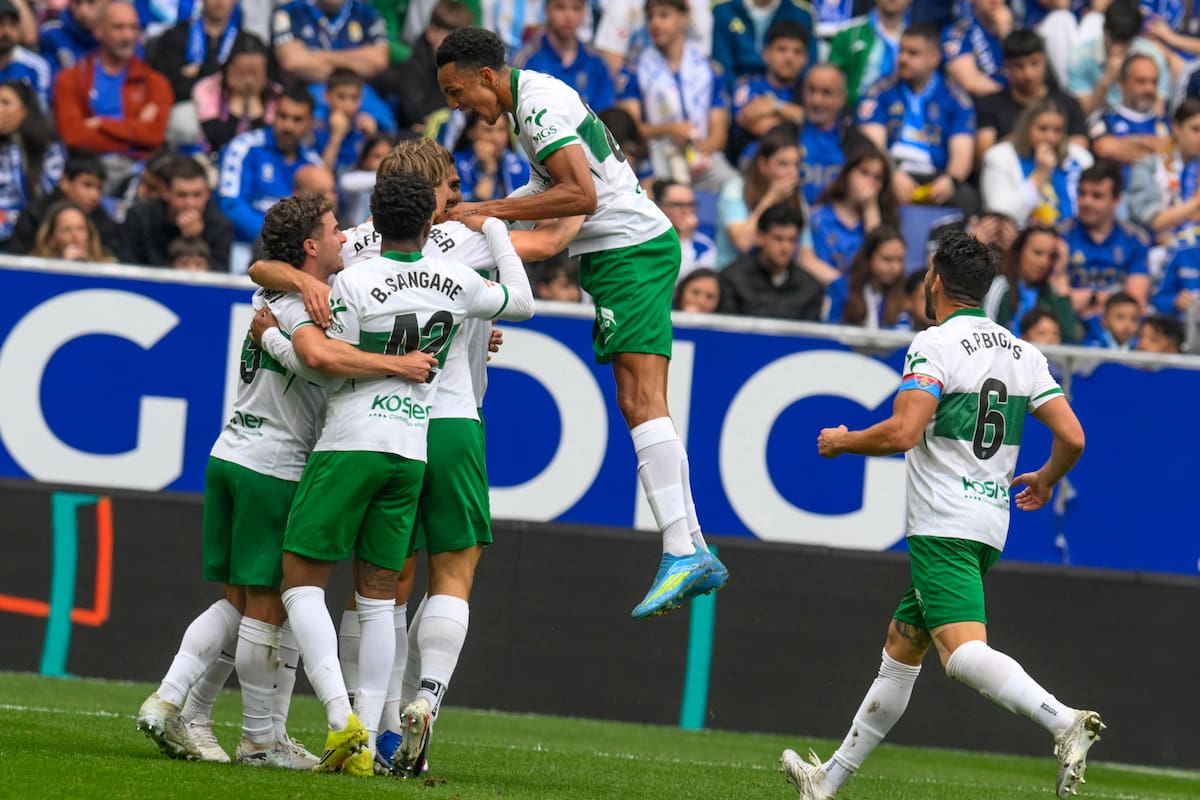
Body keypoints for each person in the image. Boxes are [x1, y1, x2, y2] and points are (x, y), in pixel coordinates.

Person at [247, 137, 577, 775]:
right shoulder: (458, 243)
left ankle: (364, 730)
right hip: (447, 419)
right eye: (451, 186)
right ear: (432, 198)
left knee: (379, 587)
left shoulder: (351, 249)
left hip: (367, 425)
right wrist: (578, 196)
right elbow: (547, 250)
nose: (458, 196)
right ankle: (418, 704)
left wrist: (288, 291)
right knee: (451, 572)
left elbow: (271, 273)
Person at [787, 230, 1103, 800]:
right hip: (989, 525)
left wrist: (843, 440)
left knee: (959, 654)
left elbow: (905, 431)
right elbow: (1074, 437)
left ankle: (1062, 720)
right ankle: (827, 781)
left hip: (942, 522)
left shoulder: (935, 344)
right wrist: (1047, 478)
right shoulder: (1023, 352)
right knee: (902, 646)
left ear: (935, 280)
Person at [435, 26, 729, 617]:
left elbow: (580, 197)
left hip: (631, 250)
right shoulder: (531, 112)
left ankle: (679, 549)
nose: (455, 104)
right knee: (639, 399)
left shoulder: (539, 106)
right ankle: (694, 545)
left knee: (642, 399)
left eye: (456, 89)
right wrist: (477, 234)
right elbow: (552, 226)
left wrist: (485, 211)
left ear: (486, 76)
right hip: (621, 252)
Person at [135, 191, 436, 768]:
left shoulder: (279, 289)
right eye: (332, 229)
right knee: (268, 609)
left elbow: (264, 272)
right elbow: (316, 361)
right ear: (309, 247)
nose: (344, 237)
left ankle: (180, 706)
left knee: (239, 600)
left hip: (232, 450)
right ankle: (258, 738)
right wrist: (401, 364)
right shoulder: (303, 306)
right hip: (274, 464)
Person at [616, 0, 735, 192]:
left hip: (702, 158)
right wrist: (670, 129)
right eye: (651, 17)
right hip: (655, 159)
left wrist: (705, 148)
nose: (655, 23)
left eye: (663, 15)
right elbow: (631, 129)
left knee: (736, 185)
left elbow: (719, 129)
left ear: (683, 18)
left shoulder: (709, 70)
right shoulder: (633, 70)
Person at [52, 1, 173, 191]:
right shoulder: (70, 78)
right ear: (99, 31)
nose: (127, 36)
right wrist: (134, 133)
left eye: (133, 28)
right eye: (118, 27)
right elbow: (73, 136)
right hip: (90, 168)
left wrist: (100, 123)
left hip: (138, 172)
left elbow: (154, 135)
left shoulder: (154, 82)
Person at [857, 24, 977, 212]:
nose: (902, 59)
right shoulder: (879, 91)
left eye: (912, 53)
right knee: (866, 185)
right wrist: (891, 173)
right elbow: (872, 145)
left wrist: (950, 180)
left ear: (935, 59)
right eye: (901, 51)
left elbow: (962, 153)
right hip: (890, 169)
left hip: (935, 175)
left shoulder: (956, 99)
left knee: (966, 198)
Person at [217, 83, 323, 269]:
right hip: (241, 247)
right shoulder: (244, 147)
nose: (288, 126)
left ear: (310, 122)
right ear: (273, 114)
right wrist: (278, 240)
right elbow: (230, 204)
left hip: (296, 254)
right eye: (283, 116)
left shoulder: (313, 163)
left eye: (297, 119)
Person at [975, 29, 1088, 162]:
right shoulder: (990, 105)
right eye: (1019, 66)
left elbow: (1080, 152)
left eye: (1034, 63)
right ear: (1007, 66)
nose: (1028, 74)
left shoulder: (1068, 103)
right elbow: (983, 157)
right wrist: (1023, 141)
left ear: (1045, 61)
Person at [980, 97, 1094, 226]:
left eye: (1057, 130)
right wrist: (1040, 175)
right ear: (1026, 128)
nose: (1051, 138)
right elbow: (1000, 218)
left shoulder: (1081, 158)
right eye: (1043, 129)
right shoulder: (999, 157)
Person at [1060, 160, 1150, 319]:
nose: (1086, 202)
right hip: (1071, 324)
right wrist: (1098, 298)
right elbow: (1060, 300)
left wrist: (1089, 300)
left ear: (1116, 200)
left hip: (1118, 328)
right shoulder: (1060, 235)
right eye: (1082, 194)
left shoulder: (1135, 239)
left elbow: (1135, 303)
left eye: (1097, 196)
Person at [118, 154, 234, 271]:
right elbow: (127, 267)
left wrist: (196, 242)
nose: (190, 203)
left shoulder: (221, 226)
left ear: (208, 193)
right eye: (182, 195)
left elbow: (220, 276)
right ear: (165, 192)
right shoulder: (139, 216)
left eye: (197, 194)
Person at [718, 203, 824, 320]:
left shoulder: (810, 287)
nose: (785, 247)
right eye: (778, 239)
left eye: (792, 240)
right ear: (760, 237)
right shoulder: (732, 279)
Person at [1068, 0, 1169, 116]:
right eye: (1114, 39)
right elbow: (1083, 113)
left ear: (1135, 36)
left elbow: (1158, 110)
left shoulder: (1152, 57)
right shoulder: (1081, 56)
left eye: (1125, 40)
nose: (1118, 47)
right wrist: (1107, 80)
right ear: (1104, 29)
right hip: (1097, 124)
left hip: (1139, 122)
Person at [513, 0, 615, 114]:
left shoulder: (598, 62)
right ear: (547, 11)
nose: (569, 16)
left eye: (576, 8)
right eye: (560, 7)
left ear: (584, 13)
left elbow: (605, 116)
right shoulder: (525, 58)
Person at [728, 20, 809, 162]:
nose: (789, 57)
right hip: (750, 160)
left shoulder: (810, 90)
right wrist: (793, 116)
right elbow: (746, 118)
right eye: (781, 49)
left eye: (797, 52)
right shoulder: (748, 85)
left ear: (805, 58)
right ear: (766, 53)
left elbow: (812, 125)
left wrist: (773, 105)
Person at [984, 223, 1081, 341]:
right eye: (1037, 253)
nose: (1044, 262)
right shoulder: (999, 287)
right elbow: (985, 334)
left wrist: (1060, 277)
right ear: (1019, 251)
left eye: (1051, 256)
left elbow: (1069, 339)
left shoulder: (1051, 294)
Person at [8, 147, 115, 254]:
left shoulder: (102, 220)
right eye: (87, 185)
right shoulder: (34, 215)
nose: (95, 195)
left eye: (99, 188)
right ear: (65, 182)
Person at [809, 147, 895, 276]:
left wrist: (870, 208)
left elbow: (880, 259)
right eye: (864, 173)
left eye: (877, 178)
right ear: (848, 174)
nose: (870, 182)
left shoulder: (885, 221)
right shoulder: (818, 216)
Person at [1127, 98, 1200, 246]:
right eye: (1195, 129)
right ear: (1176, 128)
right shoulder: (1149, 166)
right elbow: (1155, 222)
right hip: (1158, 252)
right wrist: (1197, 202)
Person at [1086, 53, 1170, 180]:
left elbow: (1176, 151)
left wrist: (1128, 143)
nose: (1149, 88)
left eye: (1154, 82)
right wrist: (1152, 145)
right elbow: (1105, 148)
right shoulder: (1104, 118)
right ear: (1121, 84)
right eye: (1141, 81)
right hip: (1120, 194)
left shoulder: (1168, 122)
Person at [193, 34, 279, 156]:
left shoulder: (275, 94)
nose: (249, 80)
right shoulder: (208, 88)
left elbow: (267, 141)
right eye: (242, 72)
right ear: (229, 68)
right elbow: (218, 140)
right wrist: (238, 97)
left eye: (255, 73)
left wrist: (253, 98)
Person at [0, 79, 61, 249]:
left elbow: (48, 197)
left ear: (25, 111)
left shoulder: (48, 149)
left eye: (5, 103)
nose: (0, 109)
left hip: (28, 232)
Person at [710, 0, 816, 91]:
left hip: (790, 95)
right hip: (735, 97)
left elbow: (809, 69)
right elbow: (722, 67)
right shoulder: (723, 12)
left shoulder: (801, 15)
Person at [828, 0, 911, 106]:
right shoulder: (849, 34)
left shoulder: (921, 39)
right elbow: (831, 82)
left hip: (903, 112)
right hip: (853, 112)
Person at [824, 225, 908, 327]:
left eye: (900, 260)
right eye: (887, 259)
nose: (896, 268)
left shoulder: (905, 292)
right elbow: (830, 331)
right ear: (868, 258)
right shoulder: (841, 287)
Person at [941, 0, 1012, 98]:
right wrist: (1012, 96)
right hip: (980, 105)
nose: (994, 1)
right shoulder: (957, 32)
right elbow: (971, 82)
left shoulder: (1016, 28)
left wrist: (1005, 34)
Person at [453, 113, 530, 201]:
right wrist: (488, 172)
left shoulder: (522, 166)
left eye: (501, 130)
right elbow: (468, 210)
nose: (496, 138)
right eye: (488, 130)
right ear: (471, 133)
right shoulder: (454, 165)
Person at [314, 68, 376, 174]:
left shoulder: (362, 129)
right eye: (341, 97)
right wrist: (336, 136)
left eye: (354, 98)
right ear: (327, 95)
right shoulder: (316, 129)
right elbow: (322, 176)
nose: (348, 105)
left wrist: (372, 138)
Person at [654, 178, 716, 280]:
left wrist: (685, 240)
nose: (687, 211)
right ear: (660, 206)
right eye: (678, 205)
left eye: (691, 204)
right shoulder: (648, 242)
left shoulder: (705, 245)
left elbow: (682, 283)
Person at [0, 0, 51, 109]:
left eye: (13, 24)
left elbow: (41, 112)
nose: (6, 31)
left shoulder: (36, 66)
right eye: (1, 24)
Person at [31, 199, 114, 261]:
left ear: (89, 234)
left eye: (81, 229)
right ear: (51, 238)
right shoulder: (35, 268)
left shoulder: (107, 267)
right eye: (66, 230)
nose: (75, 236)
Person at [39, 0, 103, 76]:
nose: (83, 11)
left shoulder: (118, 36)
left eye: (91, 2)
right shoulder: (52, 34)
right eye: (77, 2)